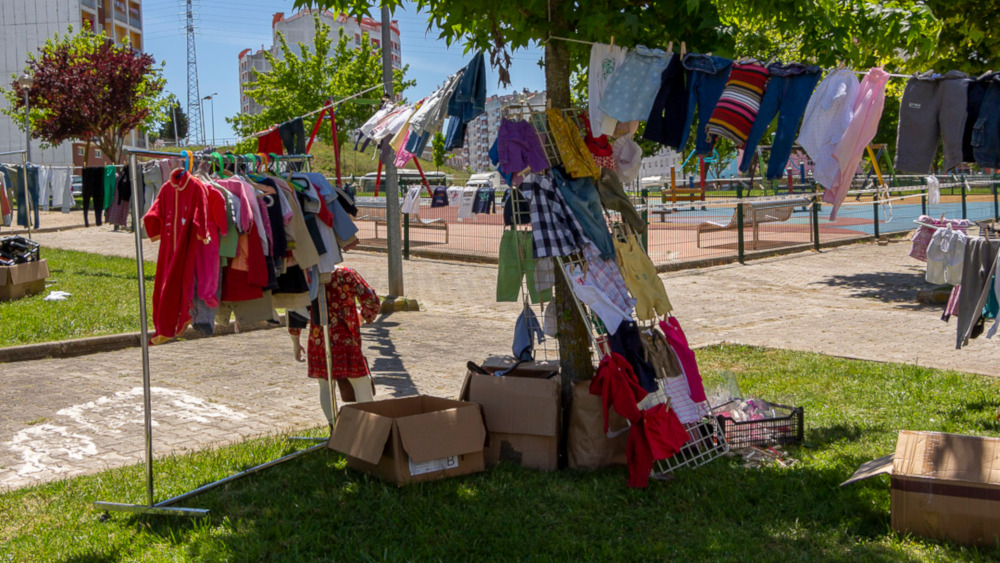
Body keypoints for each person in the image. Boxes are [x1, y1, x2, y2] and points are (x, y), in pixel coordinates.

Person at [289, 265, 380, 430]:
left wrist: (295, 341)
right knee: (361, 382)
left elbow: (294, 310)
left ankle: (335, 429)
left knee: (325, 386)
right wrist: (364, 316)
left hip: (318, 340)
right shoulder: (347, 274)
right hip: (346, 339)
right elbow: (371, 299)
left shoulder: (305, 276)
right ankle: (368, 429)